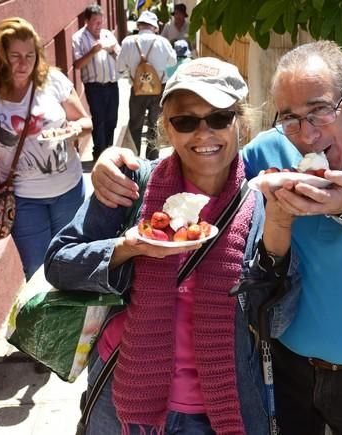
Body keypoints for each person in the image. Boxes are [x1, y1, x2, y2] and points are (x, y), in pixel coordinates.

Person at [89, 40, 342, 434]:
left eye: (319, 111)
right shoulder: (272, 150)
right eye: (289, 117)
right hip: (284, 376)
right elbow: (202, 157)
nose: (305, 135)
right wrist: (115, 165)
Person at [45, 57, 273, 435]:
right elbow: (58, 262)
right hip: (122, 399)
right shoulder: (132, 185)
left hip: (220, 407)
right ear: (167, 126)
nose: (204, 134)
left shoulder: (261, 204)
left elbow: (278, 317)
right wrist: (127, 248)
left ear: (241, 122)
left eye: (219, 117)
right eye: (185, 121)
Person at [0, 17, 92, 281]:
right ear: (0, 55)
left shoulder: (53, 81)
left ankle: (71, 322)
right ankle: (45, 324)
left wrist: (71, 130)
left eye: (30, 55)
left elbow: (85, 122)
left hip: (69, 191)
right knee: (37, 271)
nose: (24, 63)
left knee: (71, 262)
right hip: (24, 201)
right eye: (15, 55)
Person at [118, 11, 176, 160]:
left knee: (135, 124)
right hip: (158, 89)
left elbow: (119, 67)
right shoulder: (162, 42)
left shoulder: (128, 42)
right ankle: (152, 158)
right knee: (155, 124)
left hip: (137, 89)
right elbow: (172, 62)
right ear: (155, 27)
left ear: (139, 25)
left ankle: (133, 157)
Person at [72, 4, 121, 161]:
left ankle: (109, 150)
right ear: (86, 21)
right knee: (99, 120)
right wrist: (92, 52)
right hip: (94, 87)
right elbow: (77, 65)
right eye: (95, 21)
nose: (99, 25)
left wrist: (112, 51)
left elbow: (121, 58)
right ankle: (99, 153)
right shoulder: (78, 38)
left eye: (101, 21)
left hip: (112, 84)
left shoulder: (107, 35)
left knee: (112, 119)